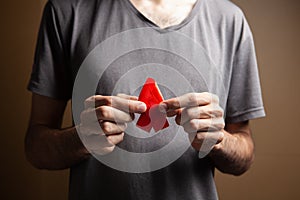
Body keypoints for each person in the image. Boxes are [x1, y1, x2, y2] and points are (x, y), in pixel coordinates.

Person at [25, 0, 265, 199]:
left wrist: (219, 140)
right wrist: (81, 139)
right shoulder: (67, 9)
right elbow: (36, 148)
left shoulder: (230, 20)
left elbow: (245, 154)